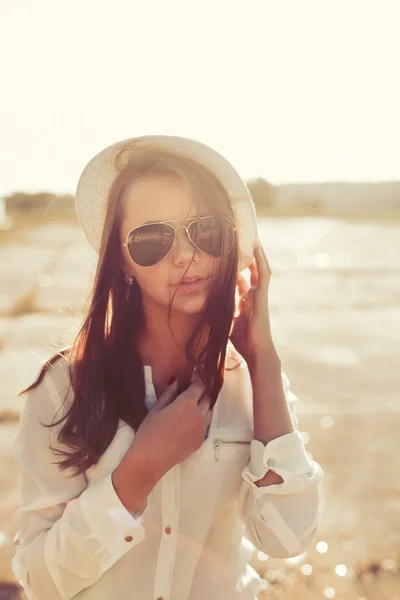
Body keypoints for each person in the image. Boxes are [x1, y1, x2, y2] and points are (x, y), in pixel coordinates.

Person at [10, 135, 324, 600]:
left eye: (205, 231)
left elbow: (287, 538)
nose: (184, 255)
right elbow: (39, 580)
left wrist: (263, 356)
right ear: (121, 260)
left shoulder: (252, 384)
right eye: (153, 238)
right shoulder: (63, 390)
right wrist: (138, 472)